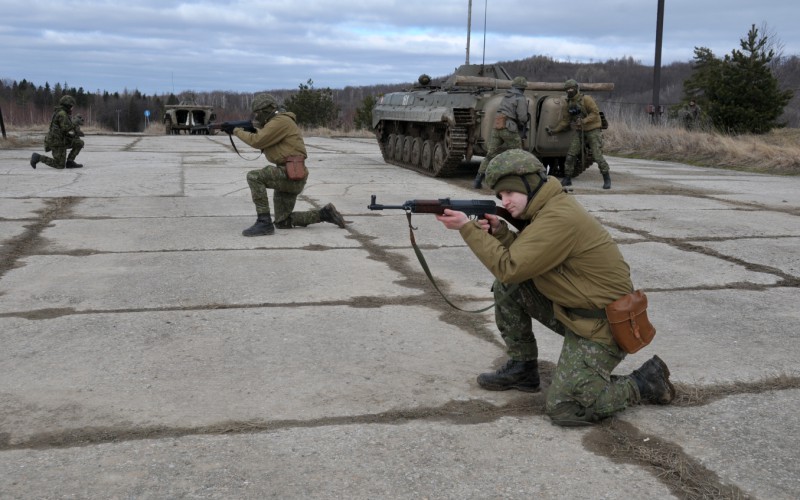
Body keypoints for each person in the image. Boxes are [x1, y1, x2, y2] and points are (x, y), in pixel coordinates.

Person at [434, 149, 675, 427]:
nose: (505, 200)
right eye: (500, 196)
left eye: (509, 192)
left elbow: (510, 265)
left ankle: (644, 383)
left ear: (530, 183)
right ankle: (523, 368)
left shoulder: (558, 217)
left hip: (603, 328)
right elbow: (528, 261)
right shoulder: (547, 209)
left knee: (565, 408)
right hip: (575, 312)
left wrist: (467, 228)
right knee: (508, 286)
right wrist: (500, 232)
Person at [228, 93, 346, 236]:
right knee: (282, 222)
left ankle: (264, 222)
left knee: (254, 176)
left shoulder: (281, 121)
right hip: (291, 175)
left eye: (258, 113)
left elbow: (257, 141)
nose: (257, 117)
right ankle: (324, 214)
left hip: (289, 175)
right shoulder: (280, 122)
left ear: (267, 110)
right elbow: (264, 138)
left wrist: (236, 131)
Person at [546, 79, 610, 189]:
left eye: (572, 89)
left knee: (597, 155)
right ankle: (567, 178)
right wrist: (555, 130)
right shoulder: (569, 103)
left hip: (592, 130)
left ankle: (606, 177)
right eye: (568, 89)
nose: (570, 91)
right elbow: (566, 120)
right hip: (580, 131)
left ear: (576, 89)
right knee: (571, 155)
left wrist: (584, 121)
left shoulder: (586, 99)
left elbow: (595, 114)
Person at [473, 76, 530, 189]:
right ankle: (519, 181)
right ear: (522, 88)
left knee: (490, 155)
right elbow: (522, 117)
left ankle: (478, 179)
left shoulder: (506, 96)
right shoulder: (520, 98)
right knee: (517, 154)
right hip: (509, 127)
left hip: (498, 126)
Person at [30, 95, 84, 169]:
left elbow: (64, 129)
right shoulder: (62, 114)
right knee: (60, 165)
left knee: (79, 143)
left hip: (61, 140)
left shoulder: (62, 113)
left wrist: (75, 133)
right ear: (67, 105)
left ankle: (70, 162)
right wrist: (75, 122)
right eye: (71, 106)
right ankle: (38, 157)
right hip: (56, 142)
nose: (72, 108)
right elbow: (66, 128)